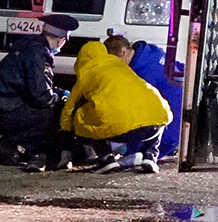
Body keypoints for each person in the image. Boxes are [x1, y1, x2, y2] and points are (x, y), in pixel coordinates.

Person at [0, 13, 78, 172]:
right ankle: (6, 146)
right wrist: (61, 99)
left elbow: (36, 85)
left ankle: (20, 148)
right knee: (54, 113)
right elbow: (41, 96)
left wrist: (59, 91)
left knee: (48, 110)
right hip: (1, 113)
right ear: (61, 40)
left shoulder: (30, 47)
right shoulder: (38, 54)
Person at [62, 36, 173, 173]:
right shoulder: (123, 66)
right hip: (152, 128)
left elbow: (70, 107)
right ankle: (150, 156)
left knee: (81, 114)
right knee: (156, 112)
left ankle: (106, 160)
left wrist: (67, 128)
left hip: (118, 131)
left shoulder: (86, 74)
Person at [125, 37, 182, 157]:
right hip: (179, 125)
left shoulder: (143, 74)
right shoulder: (152, 53)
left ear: (123, 52)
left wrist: (130, 151)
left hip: (168, 135)